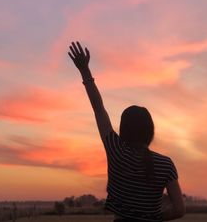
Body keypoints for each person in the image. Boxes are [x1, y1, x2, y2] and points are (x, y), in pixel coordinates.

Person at [68, 41, 185, 221]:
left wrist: (85, 70)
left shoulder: (116, 151)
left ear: (124, 130)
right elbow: (179, 210)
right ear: (150, 131)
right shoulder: (165, 164)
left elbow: (99, 109)